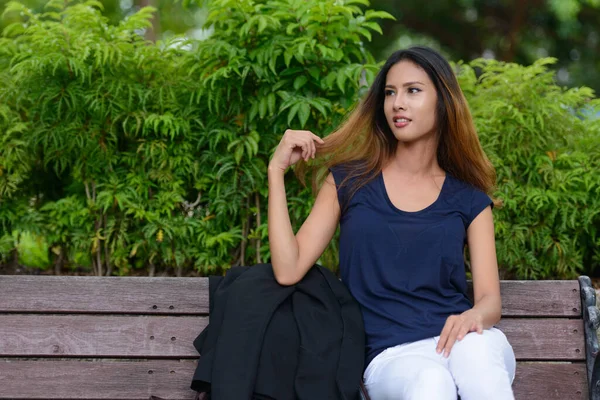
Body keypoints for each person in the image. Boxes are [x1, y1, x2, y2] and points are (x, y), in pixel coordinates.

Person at [267, 46, 516, 400]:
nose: (397, 103)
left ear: (443, 102)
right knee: (432, 384)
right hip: (393, 356)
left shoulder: (470, 199)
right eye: (390, 92)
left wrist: (472, 316)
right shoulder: (349, 183)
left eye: (413, 90)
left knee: (478, 361)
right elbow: (288, 269)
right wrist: (276, 172)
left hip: (463, 341)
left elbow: (490, 301)